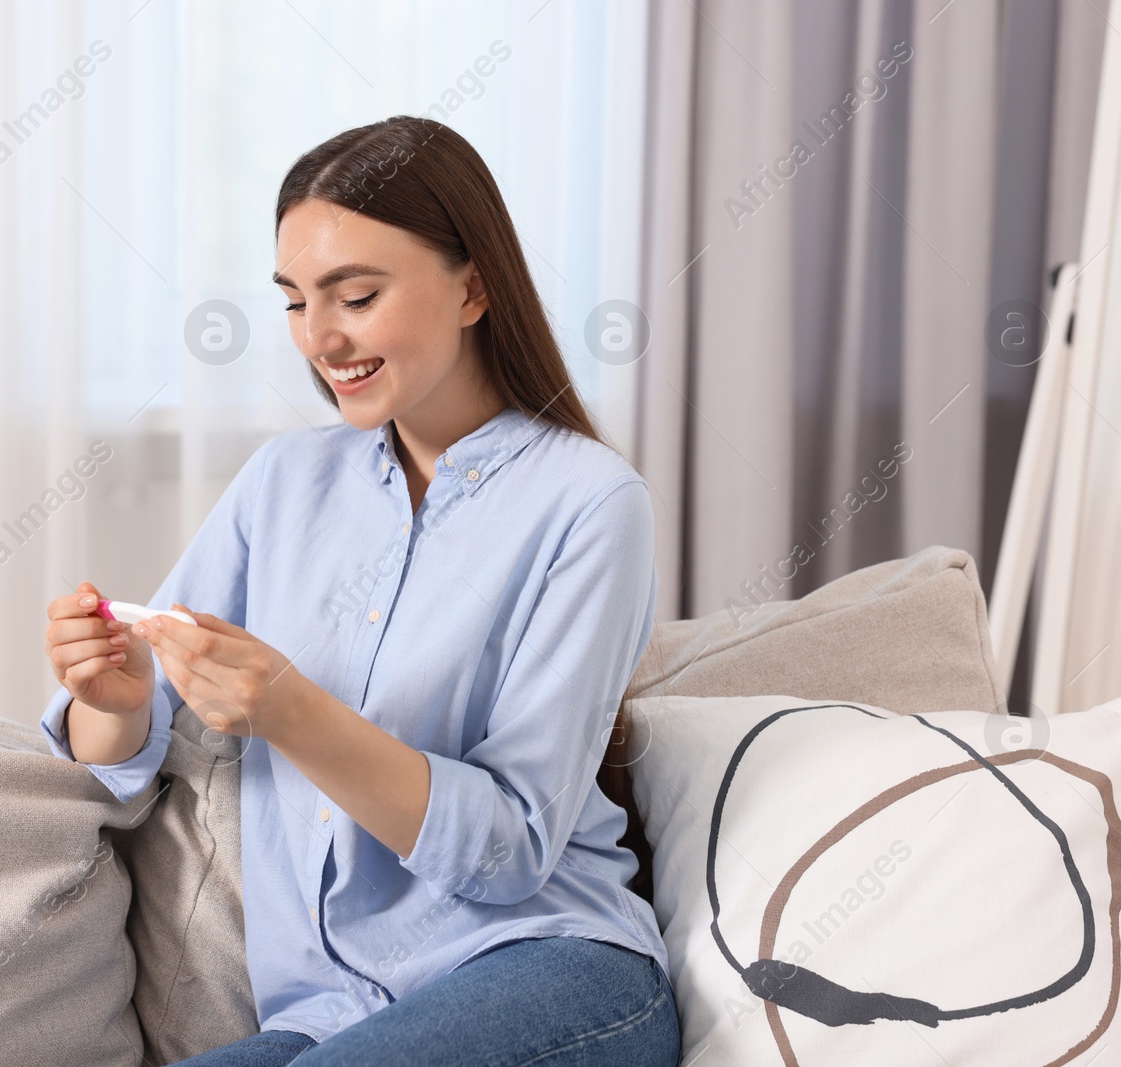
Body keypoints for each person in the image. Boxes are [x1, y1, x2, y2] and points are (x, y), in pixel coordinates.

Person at [39, 115, 680, 1066]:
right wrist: (117, 701)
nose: (320, 337)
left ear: (475, 287)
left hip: (550, 966)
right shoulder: (282, 484)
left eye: (357, 295)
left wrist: (291, 709)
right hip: (327, 1013)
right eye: (296, 302)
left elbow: (511, 849)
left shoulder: (590, 503)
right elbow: (115, 758)